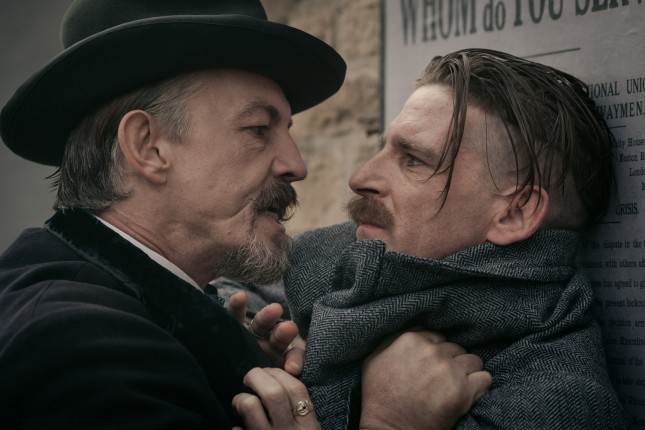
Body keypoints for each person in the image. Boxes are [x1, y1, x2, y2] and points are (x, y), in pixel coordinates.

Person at [0, 1, 491, 429]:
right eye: (258, 129)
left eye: (287, 130)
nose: (296, 165)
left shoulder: (122, 314)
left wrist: (228, 362)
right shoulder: (83, 350)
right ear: (148, 147)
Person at [284, 49, 627, 429]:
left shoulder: (560, 408)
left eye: (414, 160)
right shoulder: (318, 269)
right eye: (382, 148)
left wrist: (390, 423)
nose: (360, 178)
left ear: (515, 213)